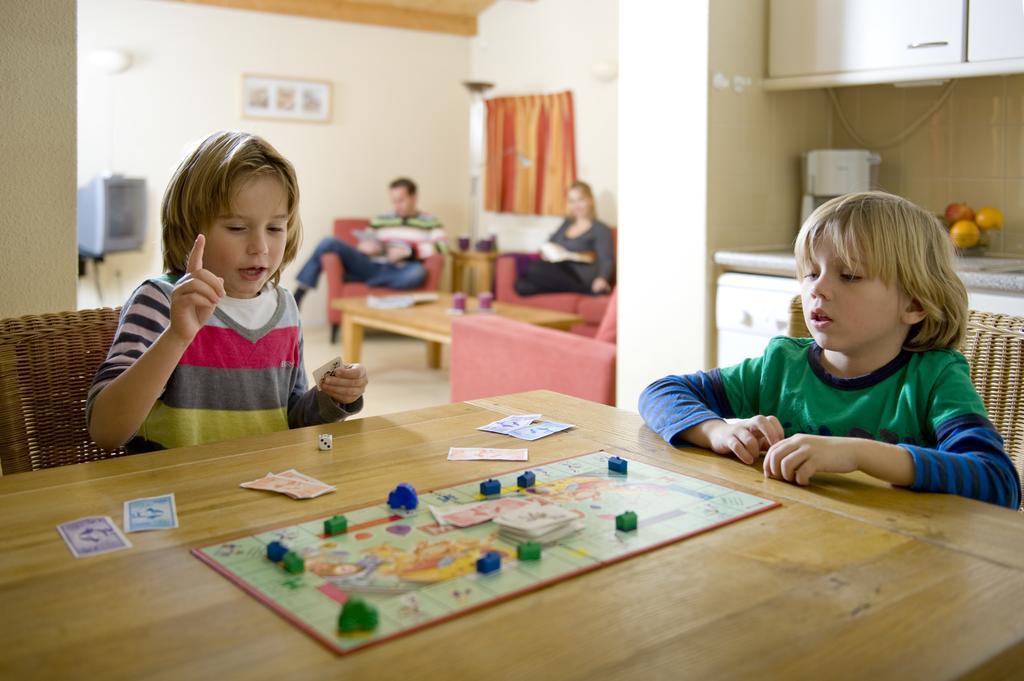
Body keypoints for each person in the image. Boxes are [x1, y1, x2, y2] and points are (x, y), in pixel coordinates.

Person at [639, 191, 1020, 509]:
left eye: (849, 275)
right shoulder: (781, 366)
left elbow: (998, 481)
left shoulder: (933, 379)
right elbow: (661, 393)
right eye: (810, 272)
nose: (817, 289)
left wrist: (859, 453)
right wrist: (718, 432)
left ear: (915, 303)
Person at [87, 131, 368, 452]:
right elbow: (106, 431)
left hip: (260, 486)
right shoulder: (160, 300)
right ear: (190, 228)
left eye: (276, 227)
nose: (260, 247)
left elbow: (287, 419)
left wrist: (331, 398)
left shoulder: (285, 307)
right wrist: (176, 337)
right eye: (236, 228)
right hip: (177, 494)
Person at [292, 178, 445, 307]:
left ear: (414, 197)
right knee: (328, 241)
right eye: (394, 201)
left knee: (418, 272)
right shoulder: (381, 219)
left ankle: (358, 278)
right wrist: (366, 247)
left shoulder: (430, 221)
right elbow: (365, 241)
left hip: (401, 269)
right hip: (372, 265)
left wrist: (410, 253)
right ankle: (300, 293)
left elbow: (442, 246)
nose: (397, 205)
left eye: (401, 200)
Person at [514, 181, 614, 296]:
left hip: (580, 275)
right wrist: (546, 252)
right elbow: (550, 242)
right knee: (521, 285)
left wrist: (602, 278)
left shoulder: (600, 229)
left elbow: (606, 259)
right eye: (572, 201)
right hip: (560, 270)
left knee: (534, 268)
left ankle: (584, 290)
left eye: (580, 199)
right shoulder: (567, 223)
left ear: (590, 200)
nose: (576, 205)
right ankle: (577, 291)